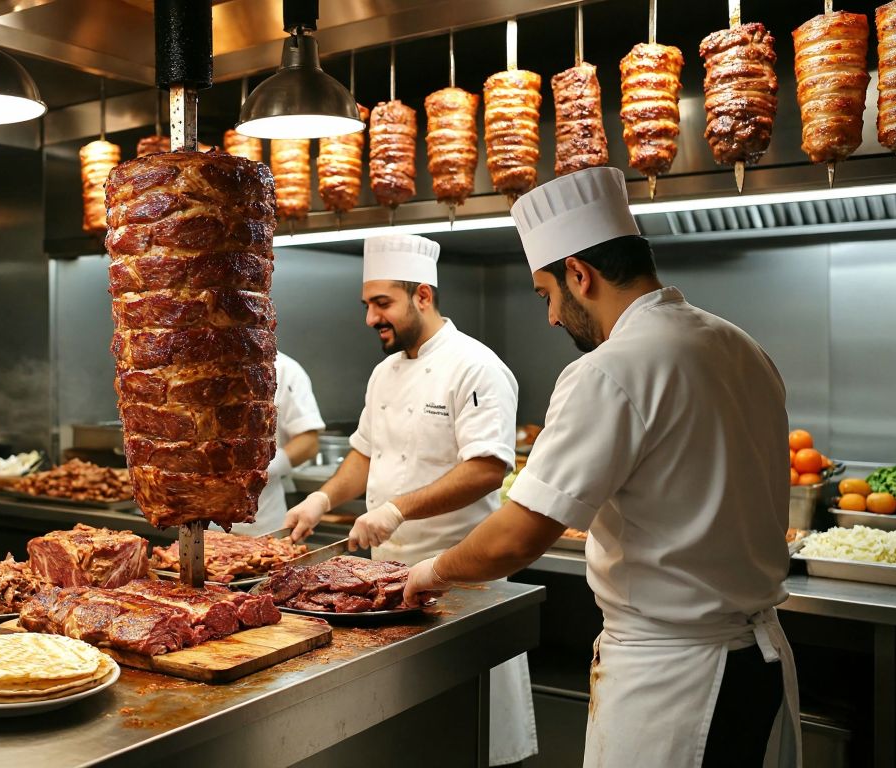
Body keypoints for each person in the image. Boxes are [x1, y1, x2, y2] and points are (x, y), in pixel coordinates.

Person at [403, 167, 799, 768]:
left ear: (579, 275)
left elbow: (516, 537)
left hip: (673, 681)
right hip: (757, 661)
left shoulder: (608, 369)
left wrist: (428, 572)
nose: (552, 318)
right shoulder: (740, 345)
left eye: (547, 294)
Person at [284, 234, 537, 766]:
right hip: (383, 587)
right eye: (367, 306)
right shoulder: (384, 372)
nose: (371, 318)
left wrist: (397, 509)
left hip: (459, 582)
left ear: (423, 295)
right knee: (403, 737)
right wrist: (322, 500)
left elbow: (490, 468)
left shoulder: (476, 366)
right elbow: (364, 455)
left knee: (469, 734)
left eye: (383, 304)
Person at [235, 351, 325, 537]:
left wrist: (265, 469)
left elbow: (309, 442)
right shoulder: (199, 365)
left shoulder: (285, 369)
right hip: (197, 524)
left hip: (260, 522)